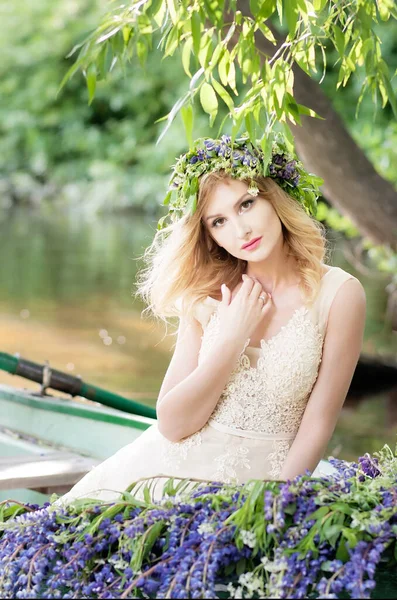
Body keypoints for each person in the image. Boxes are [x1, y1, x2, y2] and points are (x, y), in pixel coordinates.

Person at [58, 133, 366, 504]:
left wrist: (276, 507)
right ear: (209, 236)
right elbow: (172, 425)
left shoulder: (340, 294)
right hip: (163, 477)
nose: (241, 230)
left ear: (274, 198)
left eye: (247, 204)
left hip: (265, 489)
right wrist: (231, 339)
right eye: (218, 221)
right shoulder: (208, 296)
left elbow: (318, 422)